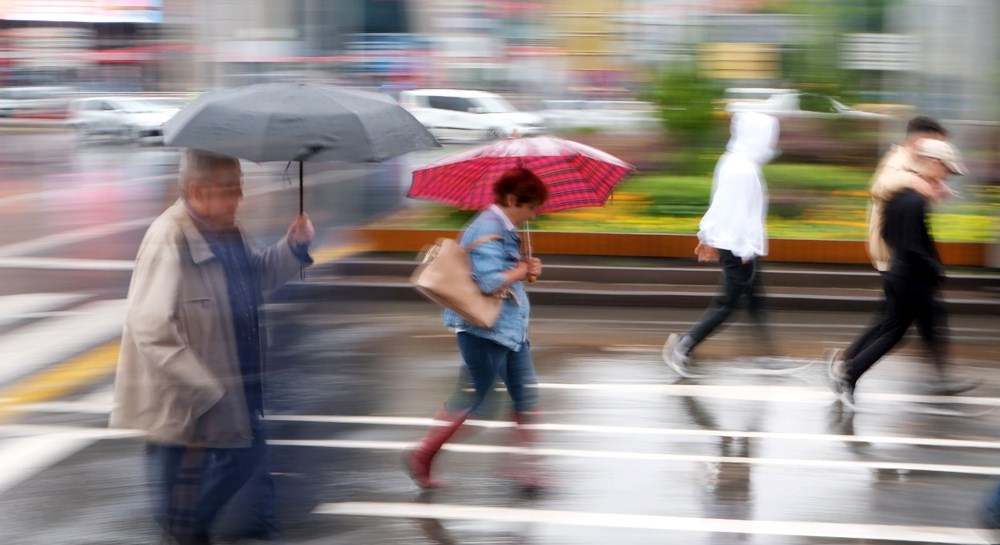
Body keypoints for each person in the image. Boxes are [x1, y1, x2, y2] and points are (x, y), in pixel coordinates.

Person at [109, 149, 315, 544]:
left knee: (239, 463)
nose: (238, 199)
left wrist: (292, 246)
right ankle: (185, 531)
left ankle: (192, 530)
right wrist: (205, 391)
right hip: (190, 399)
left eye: (240, 188)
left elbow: (256, 276)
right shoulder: (169, 237)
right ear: (197, 190)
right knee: (182, 495)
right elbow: (150, 327)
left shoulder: (225, 229)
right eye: (229, 190)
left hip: (234, 380)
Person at [405, 167, 547, 491]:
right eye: (531, 207)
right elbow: (487, 282)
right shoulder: (487, 228)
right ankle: (422, 455)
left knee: (525, 397)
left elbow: (504, 273)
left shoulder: (503, 228)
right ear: (512, 199)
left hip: (510, 330)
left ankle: (525, 469)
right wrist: (521, 271)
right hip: (485, 332)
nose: (535, 214)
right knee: (476, 401)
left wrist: (526, 268)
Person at [827, 139, 966, 407]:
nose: (946, 175)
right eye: (946, 169)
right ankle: (848, 373)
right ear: (933, 164)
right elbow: (917, 244)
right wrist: (935, 268)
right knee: (896, 332)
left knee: (894, 329)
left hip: (897, 272)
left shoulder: (900, 197)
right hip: (912, 277)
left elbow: (888, 234)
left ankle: (849, 374)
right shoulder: (916, 201)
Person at [663, 111, 780, 377]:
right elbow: (736, 212)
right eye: (768, 137)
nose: (771, 144)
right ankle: (685, 344)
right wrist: (743, 250)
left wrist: (707, 236)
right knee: (727, 305)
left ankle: (764, 355)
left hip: (741, 245)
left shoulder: (735, 162)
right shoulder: (743, 169)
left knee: (755, 301)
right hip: (740, 248)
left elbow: (721, 205)